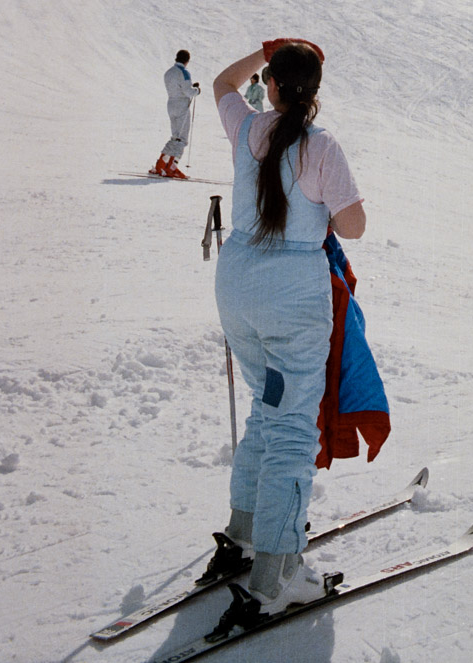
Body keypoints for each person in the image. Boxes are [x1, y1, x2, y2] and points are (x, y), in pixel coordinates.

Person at [206, 36, 365, 627]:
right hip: (292, 294)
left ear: (270, 85)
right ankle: (277, 573)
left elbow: (221, 84)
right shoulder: (322, 147)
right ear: (315, 93)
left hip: (237, 285)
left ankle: (243, 534)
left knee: (266, 407)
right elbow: (355, 225)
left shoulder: (248, 129)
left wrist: (260, 51)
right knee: (294, 428)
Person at [152, 50, 201, 178]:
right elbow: (188, 92)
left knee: (175, 136)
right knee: (182, 138)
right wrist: (197, 90)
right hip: (181, 105)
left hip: (171, 103)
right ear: (187, 61)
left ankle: (161, 164)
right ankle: (171, 167)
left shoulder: (168, 72)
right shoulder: (184, 72)